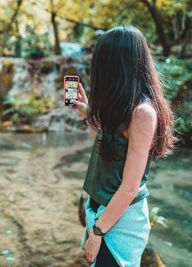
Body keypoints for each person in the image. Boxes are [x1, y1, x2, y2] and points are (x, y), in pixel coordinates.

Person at [68, 25, 176, 266]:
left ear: (117, 65)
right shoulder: (122, 106)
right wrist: (86, 113)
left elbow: (130, 187)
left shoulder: (143, 113)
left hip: (119, 223)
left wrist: (97, 234)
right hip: (101, 213)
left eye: (102, 61)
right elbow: (105, 148)